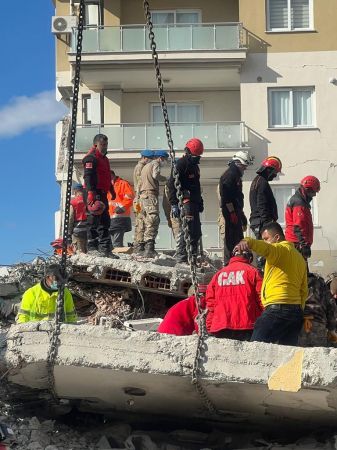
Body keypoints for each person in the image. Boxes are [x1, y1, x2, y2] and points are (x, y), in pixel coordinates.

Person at [234, 221, 308, 345]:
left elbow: (266, 248)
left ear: (277, 238)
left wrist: (248, 241)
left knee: (255, 350)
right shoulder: (299, 258)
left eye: (266, 239)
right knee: (287, 357)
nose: (265, 242)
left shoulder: (279, 250)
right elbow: (304, 289)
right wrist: (299, 308)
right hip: (295, 313)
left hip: (277, 309)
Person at [205, 251, 263, 341]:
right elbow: (262, 299)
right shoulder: (253, 272)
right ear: (250, 259)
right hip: (247, 325)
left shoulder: (218, 275)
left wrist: (209, 327)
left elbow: (211, 303)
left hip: (221, 326)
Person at [168, 138, 204, 264]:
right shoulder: (181, 164)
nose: (197, 158)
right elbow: (171, 184)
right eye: (195, 155)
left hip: (194, 202)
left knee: (196, 231)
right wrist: (173, 204)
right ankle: (182, 257)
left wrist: (200, 202)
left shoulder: (195, 167)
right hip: (185, 201)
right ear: (188, 152)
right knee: (187, 229)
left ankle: (192, 256)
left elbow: (197, 186)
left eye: (198, 156)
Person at [82, 134, 118, 258]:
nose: (105, 147)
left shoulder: (105, 159)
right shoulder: (91, 158)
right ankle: (92, 246)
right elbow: (88, 176)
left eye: (106, 145)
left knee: (105, 220)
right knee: (93, 219)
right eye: (103, 145)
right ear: (96, 144)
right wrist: (91, 193)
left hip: (102, 192)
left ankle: (105, 248)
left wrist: (111, 189)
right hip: (93, 191)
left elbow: (106, 175)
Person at [219, 150, 253, 265]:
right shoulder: (229, 176)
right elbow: (226, 197)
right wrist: (232, 212)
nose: (245, 169)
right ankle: (229, 263)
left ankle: (237, 261)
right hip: (230, 213)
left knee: (237, 237)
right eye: (244, 166)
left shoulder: (235, 176)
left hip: (236, 211)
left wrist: (241, 215)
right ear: (238, 163)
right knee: (231, 238)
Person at [249, 156, 282, 272]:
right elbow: (261, 204)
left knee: (262, 250)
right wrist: (268, 224)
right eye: (274, 173)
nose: (275, 176)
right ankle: (263, 274)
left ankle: (263, 272)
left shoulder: (257, 181)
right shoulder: (262, 182)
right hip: (262, 222)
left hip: (258, 221)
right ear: (269, 170)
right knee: (264, 251)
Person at [137, 150, 169, 258]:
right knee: (153, 219)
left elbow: (139, 183)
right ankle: (149, 249)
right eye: (165, 160)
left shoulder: (145, 167)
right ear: (160, 158)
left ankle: (142, 247)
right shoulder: (155, 163)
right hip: (150, 195)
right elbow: (156, 175)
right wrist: (165, 179)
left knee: (145, 221)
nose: (165, 162)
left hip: (142, 196)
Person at [285, 176, 320, 260]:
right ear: (307, 189)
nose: (314, 195)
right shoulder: (299, 202)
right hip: (297, 242)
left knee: (300, 269)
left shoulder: (299, 201)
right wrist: (304, 245)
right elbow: (299, 225)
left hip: (297, 241)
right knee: (301, 270)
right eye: (313, 192)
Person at [298, 273, 337, 347]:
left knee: (300, 355)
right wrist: (331, 329)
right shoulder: (321, 284)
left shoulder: (296, 281)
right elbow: (331, 306)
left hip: (299, 325)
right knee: (317, 354)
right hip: (318, 325)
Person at [133, 150, 155, 255]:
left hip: (138, 198)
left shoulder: (139, 166)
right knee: (141, 221)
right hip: (139, 198)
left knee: (140, 221)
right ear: (145, 158)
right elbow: (140, 183)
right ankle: (139, 246)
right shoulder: (140, 167)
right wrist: (139, 197)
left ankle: (139, 246)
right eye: (149, 159)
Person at [108, 171, 135, 248]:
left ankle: (118, 253)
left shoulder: (123, 184)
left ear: (111, 176)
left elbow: (129, 197)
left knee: (116, 241)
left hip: (120, 216)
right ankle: (116, 252)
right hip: (111, 217)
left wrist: (122, 207)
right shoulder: (109, 186)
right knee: (113, 241)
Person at [69, 183, 88, 253]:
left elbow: (70, 218)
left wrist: (69, 232)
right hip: (88, 229)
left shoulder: (73, 202)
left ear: (75, 191)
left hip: (77, 230)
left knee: (80, 253)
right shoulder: (88, 200)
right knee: (89, 252)